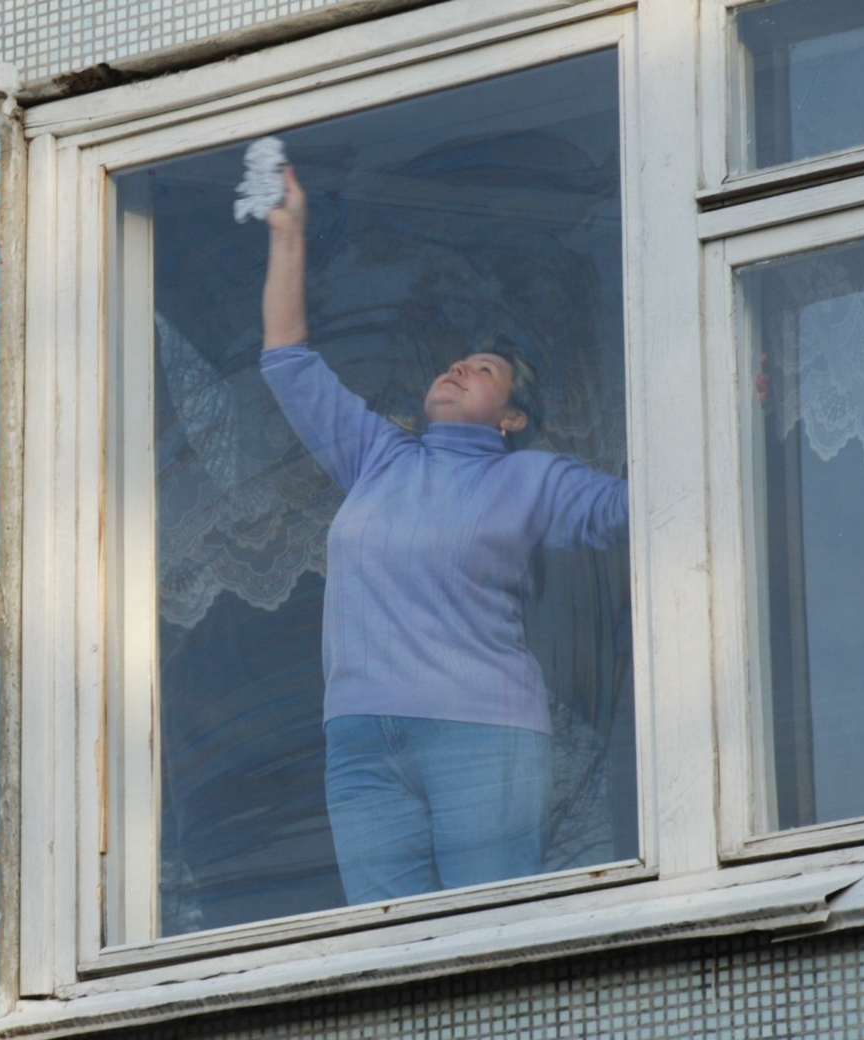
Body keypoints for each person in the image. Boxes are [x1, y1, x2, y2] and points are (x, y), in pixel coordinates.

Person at [258, 163, 629, 905]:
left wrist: (731, 402)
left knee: (491, 932)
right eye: (457, 362)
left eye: (483, 369)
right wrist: (288, 232)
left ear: (511, 418)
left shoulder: (530, 479)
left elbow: (644, 507)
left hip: (482, 731)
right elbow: (288, 364)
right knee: (386, 939)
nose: (459, 367)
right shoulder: (377, 457)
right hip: (359, 738)